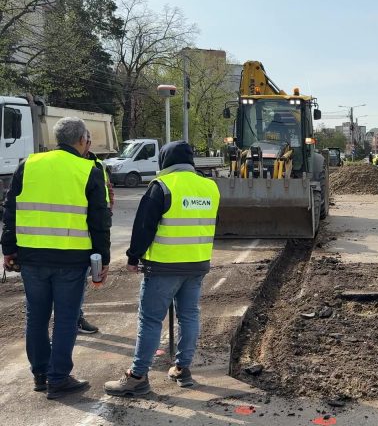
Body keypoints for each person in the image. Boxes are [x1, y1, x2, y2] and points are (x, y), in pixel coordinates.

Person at [1, 117, 111, 399]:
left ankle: (40, 374)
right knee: (65, 318)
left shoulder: (29, 164)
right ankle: (58, 378)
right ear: (82, 140)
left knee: (36, 317)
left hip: (32, 258)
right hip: (70, 260)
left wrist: (8, 249)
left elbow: (10, 210)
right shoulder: (88, 170)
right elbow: (99, 220)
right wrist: (103, 259)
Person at [104, 141, 220, 396]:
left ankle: (137, 376)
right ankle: (182, 368)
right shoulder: (210, 187)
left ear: (164, 161)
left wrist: (133, 257)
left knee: (150, 320)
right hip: (197, 263)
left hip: (164, 267)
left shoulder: (162, 186)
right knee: (189, 315)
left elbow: (144, 226)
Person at [78, 131, 115, 334]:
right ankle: (74, 316)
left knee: (85, 274)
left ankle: (75, 315)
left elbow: (107, 188)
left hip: (98, 224)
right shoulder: (70, 165)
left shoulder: (98, 165)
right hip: (79, 227)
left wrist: (108, 209)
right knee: (77, 276)